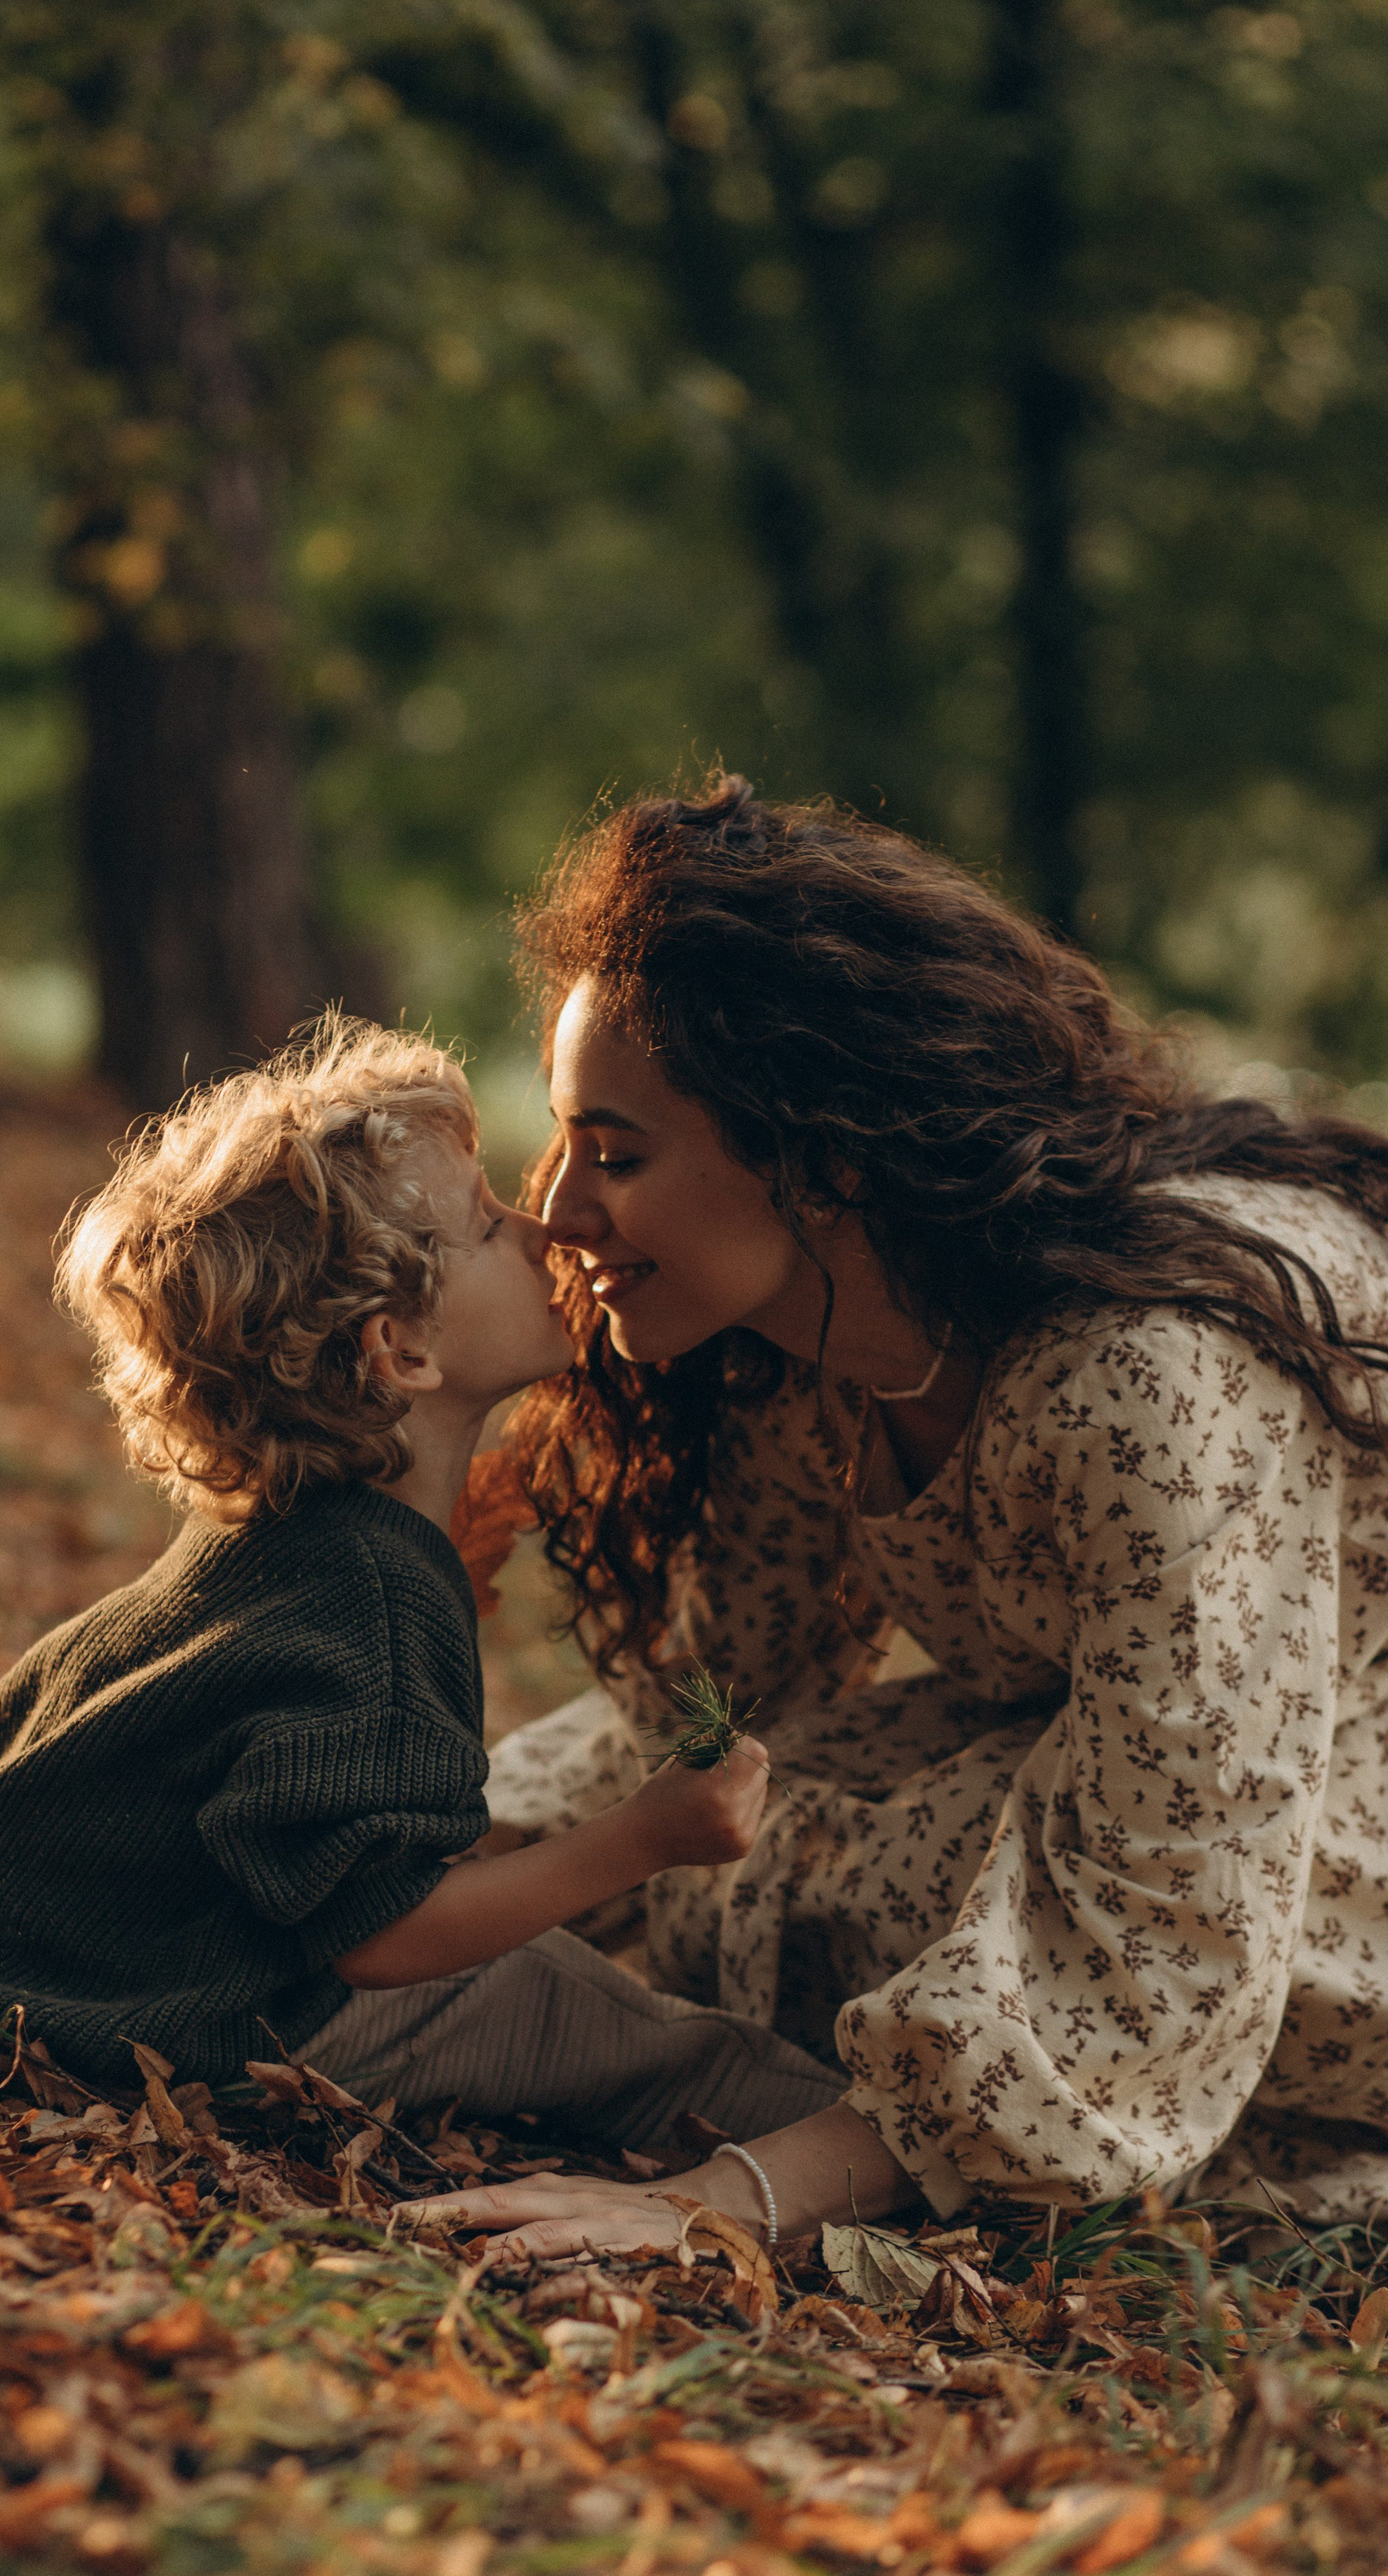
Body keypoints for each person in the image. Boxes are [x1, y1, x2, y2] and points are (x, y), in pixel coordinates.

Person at [412, 775, 1388, 2268]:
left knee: (864, 1874)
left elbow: (1159, 1915)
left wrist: (716, 2201)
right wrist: (356, 1874)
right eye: (562, 1146)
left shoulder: (1150, 1384)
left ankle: (1182, 2142)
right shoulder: (787, 1347)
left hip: (1312, 1793)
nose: (551, 1211)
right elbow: (705, 1720)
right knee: (753, 1831)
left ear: (825, 1157)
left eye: (614, 1155)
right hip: (1164, 1764)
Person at [0, 1016, 841, 2153]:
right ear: (401, 1353)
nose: (541, 1231)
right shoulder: (377, 1599)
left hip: (5, 1982)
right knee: (613, 2021)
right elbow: (379, 1941)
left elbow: (7, 1735)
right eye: (487, 1226)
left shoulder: (255, 1549)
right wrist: (640, 1838)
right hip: (237, 2032)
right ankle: (872, 2147)